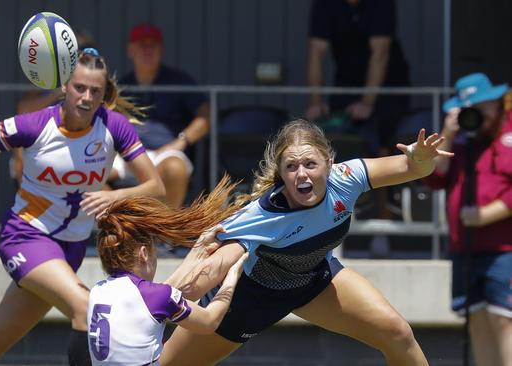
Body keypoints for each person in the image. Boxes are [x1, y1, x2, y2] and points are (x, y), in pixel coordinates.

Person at [0, 48, 165, 366]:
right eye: (79, 87)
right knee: (87, 308)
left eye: (95, 91)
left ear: (103, 93)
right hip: (26, 237)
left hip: (71, 249)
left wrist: (114, 197)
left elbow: (156, 186)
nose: (85, 97)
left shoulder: (114, 126)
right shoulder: (35, 124)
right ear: (64, 87)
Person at [159, 119, 453, 365]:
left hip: (314, 282)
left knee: (398, 333)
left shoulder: (347, 178)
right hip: (249, 300)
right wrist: (153, 299)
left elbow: (413, 168)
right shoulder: (262, 217)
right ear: (282, 174)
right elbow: (203, 278)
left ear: (329, 163)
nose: (301, 174)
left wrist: (421, 158)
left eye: (310, 164)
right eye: (291, 167)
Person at [88, 176, 248, 364]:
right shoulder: (155, 297)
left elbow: (160, 296)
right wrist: (231, 278)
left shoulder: (98, 291)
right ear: (144, 254)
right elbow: (209, 321)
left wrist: (200, 249)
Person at [424, 72, 512, 366]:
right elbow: (436, 177)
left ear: (497, 102)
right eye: (471, 108)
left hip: (505, 250)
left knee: (504, 319)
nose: (480, 114)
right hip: (466, 249)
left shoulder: (508, 135)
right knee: (476, 320)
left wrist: (489, 214)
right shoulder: (461, 141)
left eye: (484, 106)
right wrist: (447, 134)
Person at [112, 23, 210, 207]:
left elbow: (205, 116)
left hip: (164, 153)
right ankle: (114, 228)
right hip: (127, 154)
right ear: (130, 50)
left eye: (153, 45)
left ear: (161, 49)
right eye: (142, 45)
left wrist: (181, 141)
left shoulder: (179, 81)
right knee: (92, 171)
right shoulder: (120, 86)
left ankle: (167, 232)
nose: (148, 50)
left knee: (175, 168)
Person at [305, 0, 410, 155]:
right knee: (334, 139)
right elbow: (316, 52)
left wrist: (367, 102)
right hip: (345, 81)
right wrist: (316, 102)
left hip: (387, 85)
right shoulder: (324, 4)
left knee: (385, 142)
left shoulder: (382, 4)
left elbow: (380, 53)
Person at [11, 31, 98, 188]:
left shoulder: (94, 82)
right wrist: (62, 89)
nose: (77, 56)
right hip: (46, 141)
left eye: (83, 50)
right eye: (72, 51)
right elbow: (24, 108)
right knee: (21, 154)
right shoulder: (48, 78)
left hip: (82, 145)